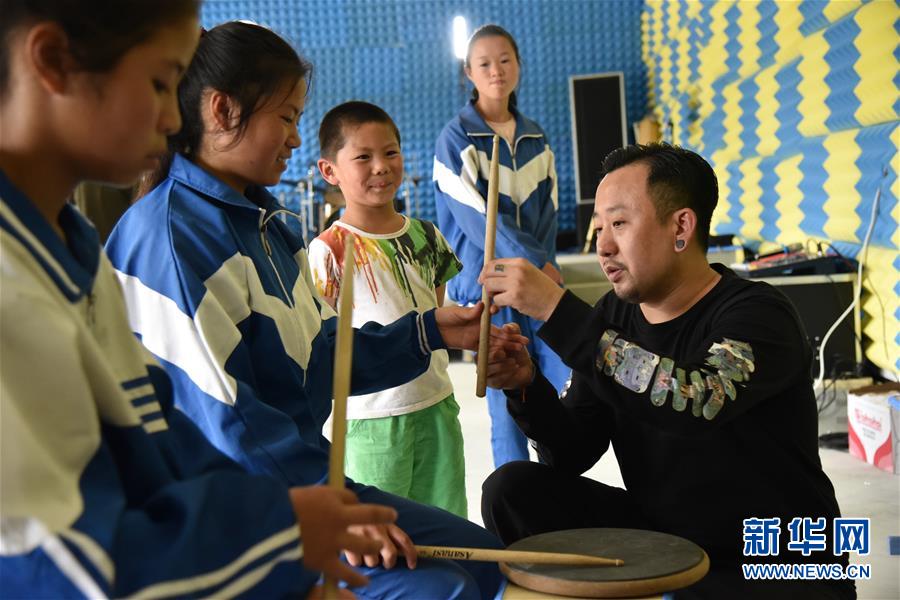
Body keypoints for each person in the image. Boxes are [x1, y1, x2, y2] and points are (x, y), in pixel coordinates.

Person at [105, 22, 519, 600]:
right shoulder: (174, 241)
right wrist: (329, 509)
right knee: (441, 589)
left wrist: (428, 332)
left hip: (300, 479)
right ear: (223, 111)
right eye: (286, 118)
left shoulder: (270, 228)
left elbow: (323, 357)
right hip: (240, 514)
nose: (296, 139)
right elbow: (233, 427)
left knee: (494, 563)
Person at [0, 2, 399, 598]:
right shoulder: (17, 278)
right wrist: (276, 539)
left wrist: (278, 529)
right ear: (54, 61)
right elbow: (54, 566)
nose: (171, 118)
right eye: (161, 83)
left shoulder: (74, 244)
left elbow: (160, 435)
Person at [479, 144, 854, 599]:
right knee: (512, 491)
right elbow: (571, 453)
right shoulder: (613, 317)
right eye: (599, 228)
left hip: (769, 559)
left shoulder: (758, 313)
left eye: (619, 223)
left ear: (681, 227)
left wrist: (559, 312)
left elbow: (692, 401)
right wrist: (525, 387)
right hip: (668, 538)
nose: (603, 246)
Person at [309, 101, 468, 518]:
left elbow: (435, 309)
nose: (381, 166)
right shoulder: (328, 251)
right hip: (369, 420)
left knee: (447, 523)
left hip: (436, 404)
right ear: (329, 171)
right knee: (382, 531)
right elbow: (323, 339)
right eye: (363, 157)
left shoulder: (428, 237)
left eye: (390, 152)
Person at [433, 24, 570, 468]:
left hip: (536, 282)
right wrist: (534, 265)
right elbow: (478, 220)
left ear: (519, 66)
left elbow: (549, 212)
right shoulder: (456, 139)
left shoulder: (536, 138)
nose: (496, 71)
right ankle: (514, 500)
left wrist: (543, 264)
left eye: (505, 60)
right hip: (490, 288)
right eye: (485, 63)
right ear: (469, 72)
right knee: (509, 403)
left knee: (561, 393)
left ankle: (561, 488)